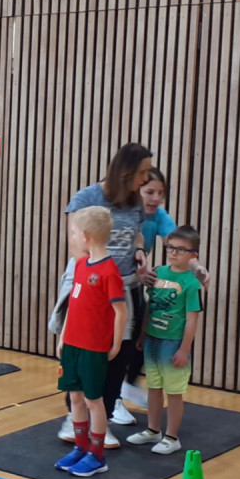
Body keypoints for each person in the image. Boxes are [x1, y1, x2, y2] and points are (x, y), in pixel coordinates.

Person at [53, 142, 153, 445]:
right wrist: (94, 287)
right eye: (142, 173)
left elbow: (137, 233)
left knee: (117, 358)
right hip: (91, 289)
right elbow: (76, 247)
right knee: (83, 357)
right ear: (126, 171)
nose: (146, 180)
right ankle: (75, 418)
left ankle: (102, 420)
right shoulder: (87, 198)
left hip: (125, 288)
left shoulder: (135, 202)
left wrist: (138, 250)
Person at [121, 169, 209, 407]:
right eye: (149, 192)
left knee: (140, 332)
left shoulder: (159, 216)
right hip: (116, 282)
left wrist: (197, 267)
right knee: (122, 336)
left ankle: (126, 385)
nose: (156, 198)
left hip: (134, 282)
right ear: (136, 190)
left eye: (161, 193)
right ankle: (112, 394)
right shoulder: (126, 214)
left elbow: (180, 244)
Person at [54, 207, 128, 477]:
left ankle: (97, 456)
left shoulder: (109, 272)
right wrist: (63, 336)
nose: (72, 237)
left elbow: (121, 312)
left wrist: (115, 344)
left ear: (85, 236)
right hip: (72, 345)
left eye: (73, 233)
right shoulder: (81, 265)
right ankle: (80, 447)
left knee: (93, 400)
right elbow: (73, 303)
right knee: (75, 396)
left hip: (93, 347)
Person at [127, 226, 203, 454]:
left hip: (173, 344)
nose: (173, 253)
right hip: (152, 340)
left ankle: (172, 436)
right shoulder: (158, 273)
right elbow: (150, 306)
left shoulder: (191, 284)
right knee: (153, 387)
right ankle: (153, 430)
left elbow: (192, 320)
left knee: (174, 391)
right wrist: (143, 334)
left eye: (181, 249)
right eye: (170, 248)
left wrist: (184, 349)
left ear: (193, 255)